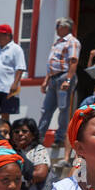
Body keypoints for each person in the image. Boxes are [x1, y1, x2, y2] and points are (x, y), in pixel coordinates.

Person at [38, 18, 81, 152]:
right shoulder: (57, 43)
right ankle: (39, 137)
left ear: (65, 27)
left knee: (63, 109)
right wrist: (46, 80)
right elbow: (52, 63)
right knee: (46, 109)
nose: (56, 29)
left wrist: (68, 80)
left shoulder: (72, 42)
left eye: (58, 26)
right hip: (53, 78)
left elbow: (73, 61)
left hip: (63, 76)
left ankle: (59, 138)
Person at [10, 118, 51, 190]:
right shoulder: (10, 150)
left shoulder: (38, 150)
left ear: (33, 135)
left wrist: (14, 177)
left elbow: (40, 174)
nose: (20, 134)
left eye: (24, 131)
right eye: (16, 132)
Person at [0, 24, 26, 123]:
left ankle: (5, 134)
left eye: (0, 35)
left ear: (8, 36)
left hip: (7, 88)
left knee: (5, 113)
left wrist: (15, 83)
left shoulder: (16, 49)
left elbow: (20, 68)